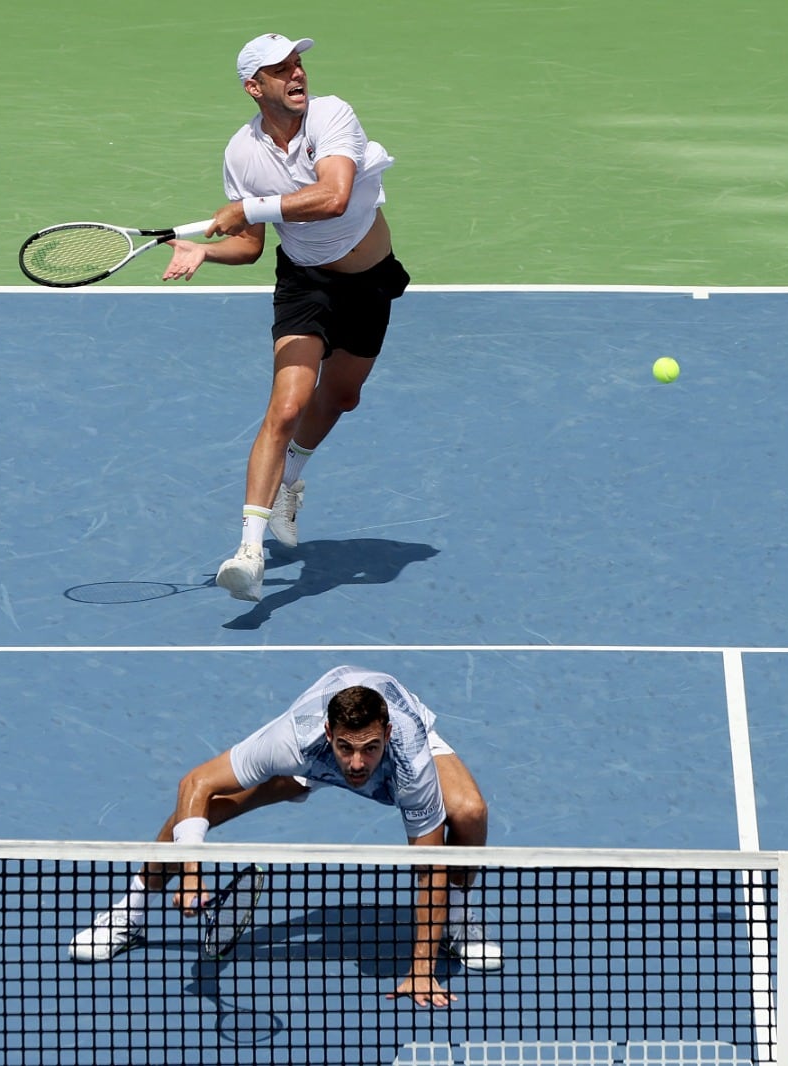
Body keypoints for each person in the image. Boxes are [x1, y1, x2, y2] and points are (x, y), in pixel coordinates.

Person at [67, 665, 500, 1007]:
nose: (356, 763)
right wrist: (192, 871)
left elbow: (429, 868)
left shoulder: (409, 757)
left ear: (385, 735)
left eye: (369, 747)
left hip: (403, 741)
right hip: (310, 758)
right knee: (206, 809)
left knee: (468, 811)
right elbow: (194, 783)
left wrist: (421, 966)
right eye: (346, 747)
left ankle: (456, 923)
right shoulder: (290, 741)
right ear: (329, 735)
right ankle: (130, 914)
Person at [163, 32, 411, 602]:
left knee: (341, 396)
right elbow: (249, 246)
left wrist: (247, 208)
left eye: (298, 63)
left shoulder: (332, 115)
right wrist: (204, 249)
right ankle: (248, 552)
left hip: (369, 282)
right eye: (280, 70)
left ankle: (290, 481)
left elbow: (334, 197)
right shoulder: (241, 153)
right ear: (255, 88)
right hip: (304, 284)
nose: (296, 74)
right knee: (287, 404)